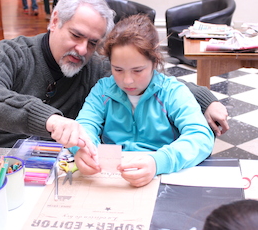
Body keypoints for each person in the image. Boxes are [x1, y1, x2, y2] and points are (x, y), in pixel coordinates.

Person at [0, 0, 227, 150]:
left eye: (92, 43)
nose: (81, 49)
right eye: (76, 35)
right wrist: (50, 120)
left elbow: (151, 78)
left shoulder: (92, 68)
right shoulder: (10, 54)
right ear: (55, 20)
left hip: (56, 166)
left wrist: (206, 100)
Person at [69, 14, 215, 187]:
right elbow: (84, 125)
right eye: (118, 69)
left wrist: (158, 162)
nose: (127, 80)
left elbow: (201, 136)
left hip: (163, 177)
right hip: (112, 178)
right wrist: (83, 149)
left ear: (154, 62)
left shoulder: (172, 92)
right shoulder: (103, 90)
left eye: (138, 70)